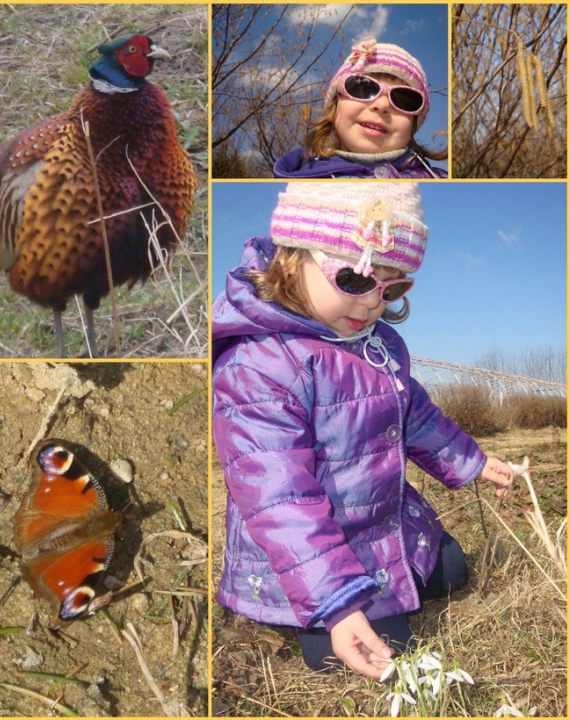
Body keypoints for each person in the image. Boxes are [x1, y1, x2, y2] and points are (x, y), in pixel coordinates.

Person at [212, 182, 513, 679]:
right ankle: (325, 608)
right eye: (354, 279)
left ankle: (374, 591)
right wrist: (336, 602)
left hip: (379, 522)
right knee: (363, 647)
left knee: (454, 568)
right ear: (293, 258)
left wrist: (475, 462)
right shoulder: (260, 363)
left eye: (391, 288)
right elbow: (278, 498)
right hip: (305, 550)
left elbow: (415, 415)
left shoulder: (377, 345)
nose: (374, 302)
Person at [274, 39, 447, 178]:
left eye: (403, 100)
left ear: (413, 123)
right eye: (362, 88)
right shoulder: (304, 179)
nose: (382, 105)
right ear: (335, 104)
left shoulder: (434, 178)